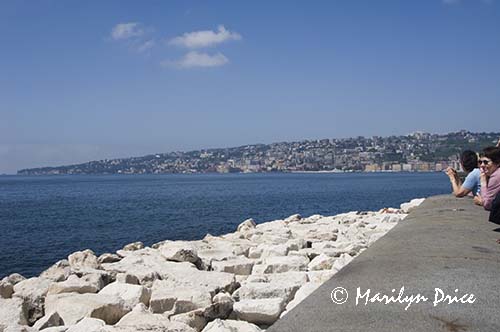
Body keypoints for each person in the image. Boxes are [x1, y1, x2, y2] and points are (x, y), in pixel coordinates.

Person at [474, 147, 500, 224]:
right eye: (480, 162)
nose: (482, 165)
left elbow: (487, 204)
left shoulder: (496, 176)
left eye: (485, 162)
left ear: (497, 163)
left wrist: (483, 181)